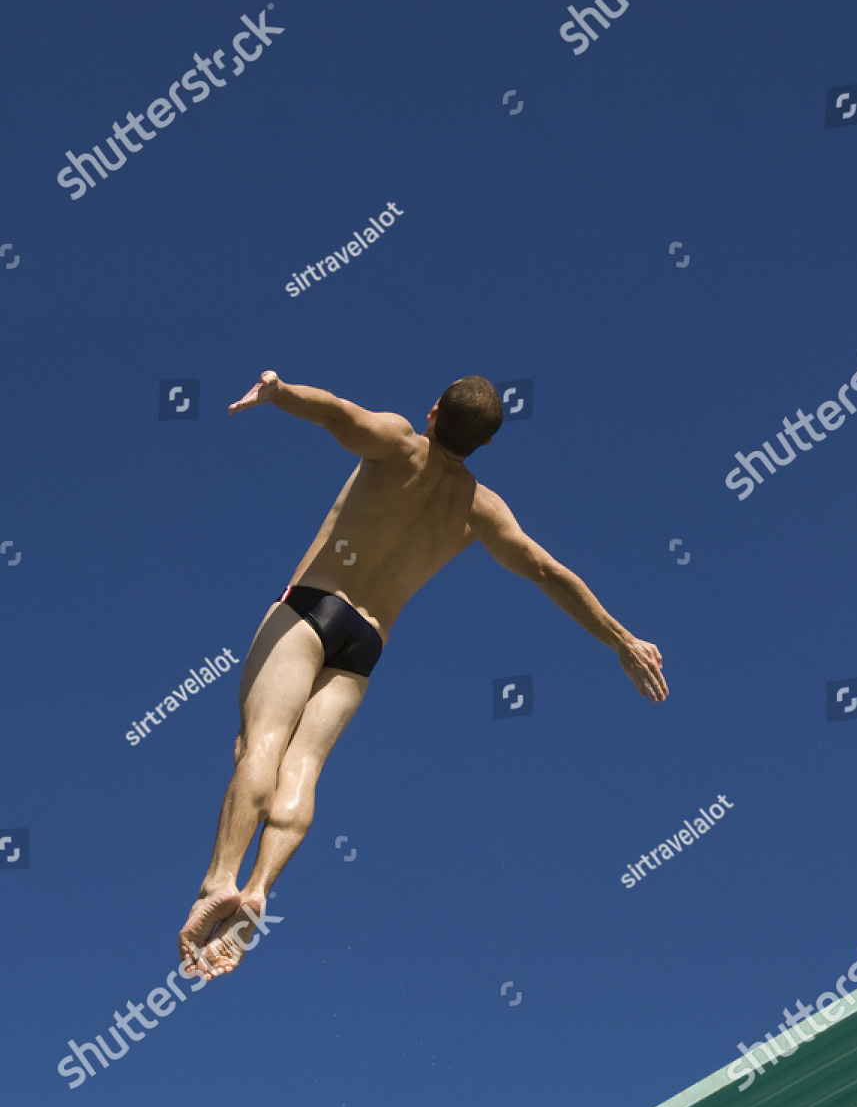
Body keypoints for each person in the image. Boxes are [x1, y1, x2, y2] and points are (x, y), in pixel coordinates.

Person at [178, 371, 668, 978]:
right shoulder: (481, 508)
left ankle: (219, 882)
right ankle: (259, 889)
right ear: (487, 445)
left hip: (311, 609)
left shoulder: (401, 441)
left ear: (433, 411)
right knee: (303, 768)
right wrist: (621, 639)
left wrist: (278, 393)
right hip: (365, 645)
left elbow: (337, 414)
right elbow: (547, 572)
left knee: (261, 746)